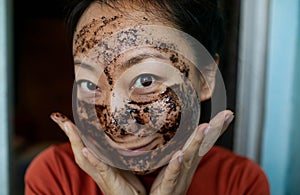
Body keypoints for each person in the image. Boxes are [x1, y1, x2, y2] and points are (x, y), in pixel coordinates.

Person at [25, 0, 270, 194]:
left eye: (145, 81)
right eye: (90, 84)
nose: (115, 122)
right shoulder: (57, 176)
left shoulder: (238, 183)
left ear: (205, 78)